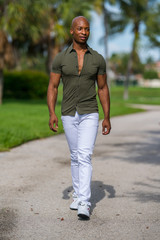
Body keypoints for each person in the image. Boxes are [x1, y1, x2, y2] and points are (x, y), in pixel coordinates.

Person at [47, 16, 111, 220]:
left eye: (87, 29)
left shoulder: (98, 58)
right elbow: (53, 87)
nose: (84, 32)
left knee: (84, 155)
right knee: (75, 156)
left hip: (90, 112)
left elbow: (102, 88)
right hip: (68, 112)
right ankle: (76, 194)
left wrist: (106, 116)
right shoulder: (61, 58)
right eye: (80, 28)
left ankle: (84, 201)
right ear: (72, 31)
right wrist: (51, 113)